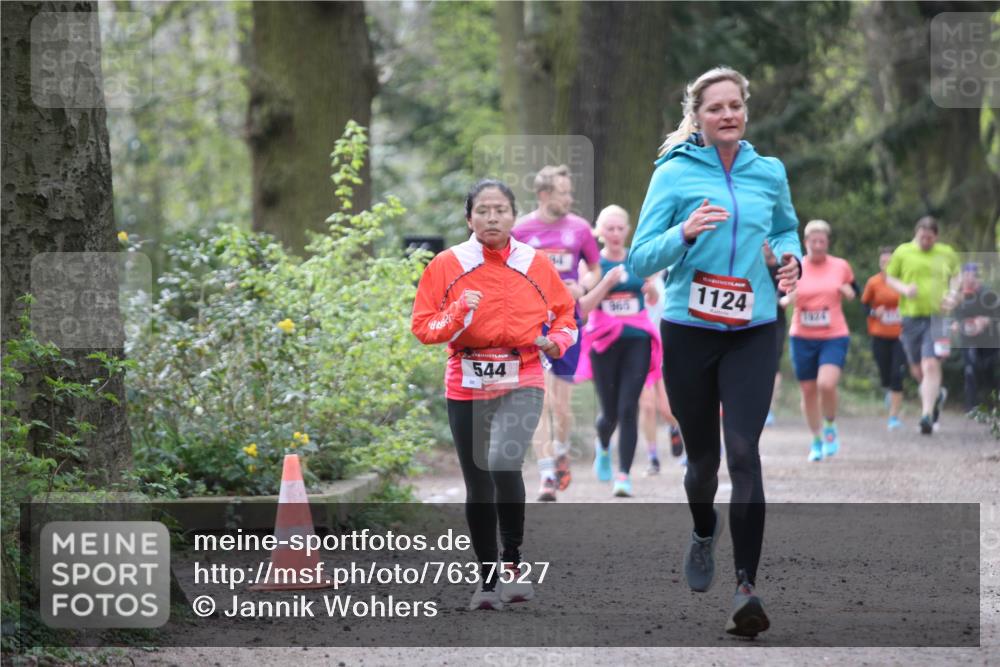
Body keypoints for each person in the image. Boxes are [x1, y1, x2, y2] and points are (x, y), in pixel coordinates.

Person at [628, 66, 801, 637]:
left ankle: (746, 588)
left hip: (754, 327)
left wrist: (790, 259)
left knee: (744, 450)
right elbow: (638, 260)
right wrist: (684, 233)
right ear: (697, 117)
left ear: (745, 110)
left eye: (735, 105)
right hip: (689, 330)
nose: (727, 115)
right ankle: (704, 529)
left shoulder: (768, 171)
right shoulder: (673, 174)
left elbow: (785, 230)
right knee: (703, 463)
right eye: (715, 108)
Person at [411, 179, 577, 610]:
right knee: (478, 482)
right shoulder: (447, 264)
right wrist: (456, 313)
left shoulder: (534, 262)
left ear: (513, 216)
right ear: (469, 219)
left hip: (522, 374)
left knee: (503, 460)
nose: (491, 218)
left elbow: (566, 316)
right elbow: (423, 327)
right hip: (465, 379)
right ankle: (487, 582)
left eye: (500, 210)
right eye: (482, 211)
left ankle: (513, 563)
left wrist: (557, 341)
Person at [511, 165, 601, 501]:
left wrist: (584, 286)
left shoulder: (579, 229)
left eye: (569, 192)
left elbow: (595, 269)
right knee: (541, 399)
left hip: (567, 322)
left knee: (561, 406)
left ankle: (561, 450)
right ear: (544, 194)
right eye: (563, 193)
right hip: (534, 323)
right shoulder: (521, 231)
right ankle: (547, 474)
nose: (569, 198)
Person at [573, 205, 663, 497]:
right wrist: (606, 283)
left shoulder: (637, 259)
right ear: (600, 232)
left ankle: (623, 475)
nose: (614, 233)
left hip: (637, 339)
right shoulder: (592, 265)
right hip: (604, 341)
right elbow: (584, 307)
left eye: (619, 228)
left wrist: (650, 290)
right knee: (609, 413)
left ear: (627, 230)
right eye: (609, 229)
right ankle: (602, 445)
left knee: (628, 408)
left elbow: (652, 298)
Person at [783, 220, 855, 461]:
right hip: (801, 337)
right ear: (805, 243)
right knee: (808, 390)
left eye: (821, 241)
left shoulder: (840, 266)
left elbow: (853, 289)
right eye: (813, 241)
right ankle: (816, 439)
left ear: (827, 242)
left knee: (826, 384)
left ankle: (830, 425)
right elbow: (783, 293)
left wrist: (849, 292)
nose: (817, 245)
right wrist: (786, 299)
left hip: (833, 335)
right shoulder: (795, 267)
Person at [886, 217, 960, 435]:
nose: (925, 241)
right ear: (916, 233)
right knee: (917, 369)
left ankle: (926, 415)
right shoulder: (903, 252)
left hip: (938, 316)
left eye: (929, 238)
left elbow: (957, 276)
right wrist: (904, 289)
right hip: (910, 316)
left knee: (930, 363)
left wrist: (953, 295)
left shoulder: (946, 252)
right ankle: (936, 396)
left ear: (936, 237)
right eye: (922, 237)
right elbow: (890, 278)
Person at [861, 246, 908, 430]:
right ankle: (890, 392)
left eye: (890, 262)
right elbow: (864, 306)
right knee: (885, 374)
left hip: (901, 335)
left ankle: (893, 417)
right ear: (879, 264)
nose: (886, 265)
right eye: (883, 262)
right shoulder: (873, 282)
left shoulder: (904, 281)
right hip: (879, 334)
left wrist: (906, 313)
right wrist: (874, 312)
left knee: (897, 374)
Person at [945, 263, 999, 412]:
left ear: (977, 278)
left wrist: (986, 320)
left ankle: (992, 405)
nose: (969, 279)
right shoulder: (959, 296)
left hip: (989, 341)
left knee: (989, 372)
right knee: (970, 369)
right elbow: (954, 316)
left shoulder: (988, 294)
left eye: (972, 275)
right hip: (968, 340)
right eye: (966, 275)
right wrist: (956, 324)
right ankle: (971, 407)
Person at [763, 241, 788, 426]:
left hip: (776, 323)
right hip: (752, 322)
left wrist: (784, 299)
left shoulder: (783, 269)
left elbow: (791, 293)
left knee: (773, 366)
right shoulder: (753, 266)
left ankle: (769, 408)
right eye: (763, 243)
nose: (766, 246)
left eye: (769, 242)